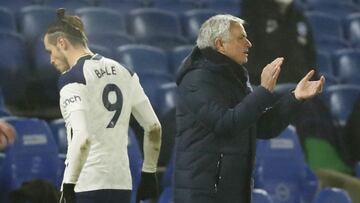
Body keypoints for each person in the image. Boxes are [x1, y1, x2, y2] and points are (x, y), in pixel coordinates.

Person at [174, 14, 325, 203]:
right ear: (219, 44)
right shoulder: (196, 79)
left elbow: (263, 126)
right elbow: (225, 124)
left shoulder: (235, 79)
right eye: (241, 38)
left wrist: (295, 97)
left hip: (234, 192)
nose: (249, 43)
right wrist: (263, 91)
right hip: (203, 195)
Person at [43, 8, 161, 203]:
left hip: (87, 183)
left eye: (51, 51)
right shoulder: (125, 72)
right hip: (121, 184)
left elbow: (82, 137)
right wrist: (149, 173)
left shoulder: (72, 79)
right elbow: (154, 127)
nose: (51, 59)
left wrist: (68, 186)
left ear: (62, 43)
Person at [241, 0, 317, 85]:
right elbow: (249, 63)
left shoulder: (300, 20)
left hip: (299, 90)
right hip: (266, 90)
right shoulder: (251, 18)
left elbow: (310, 60)